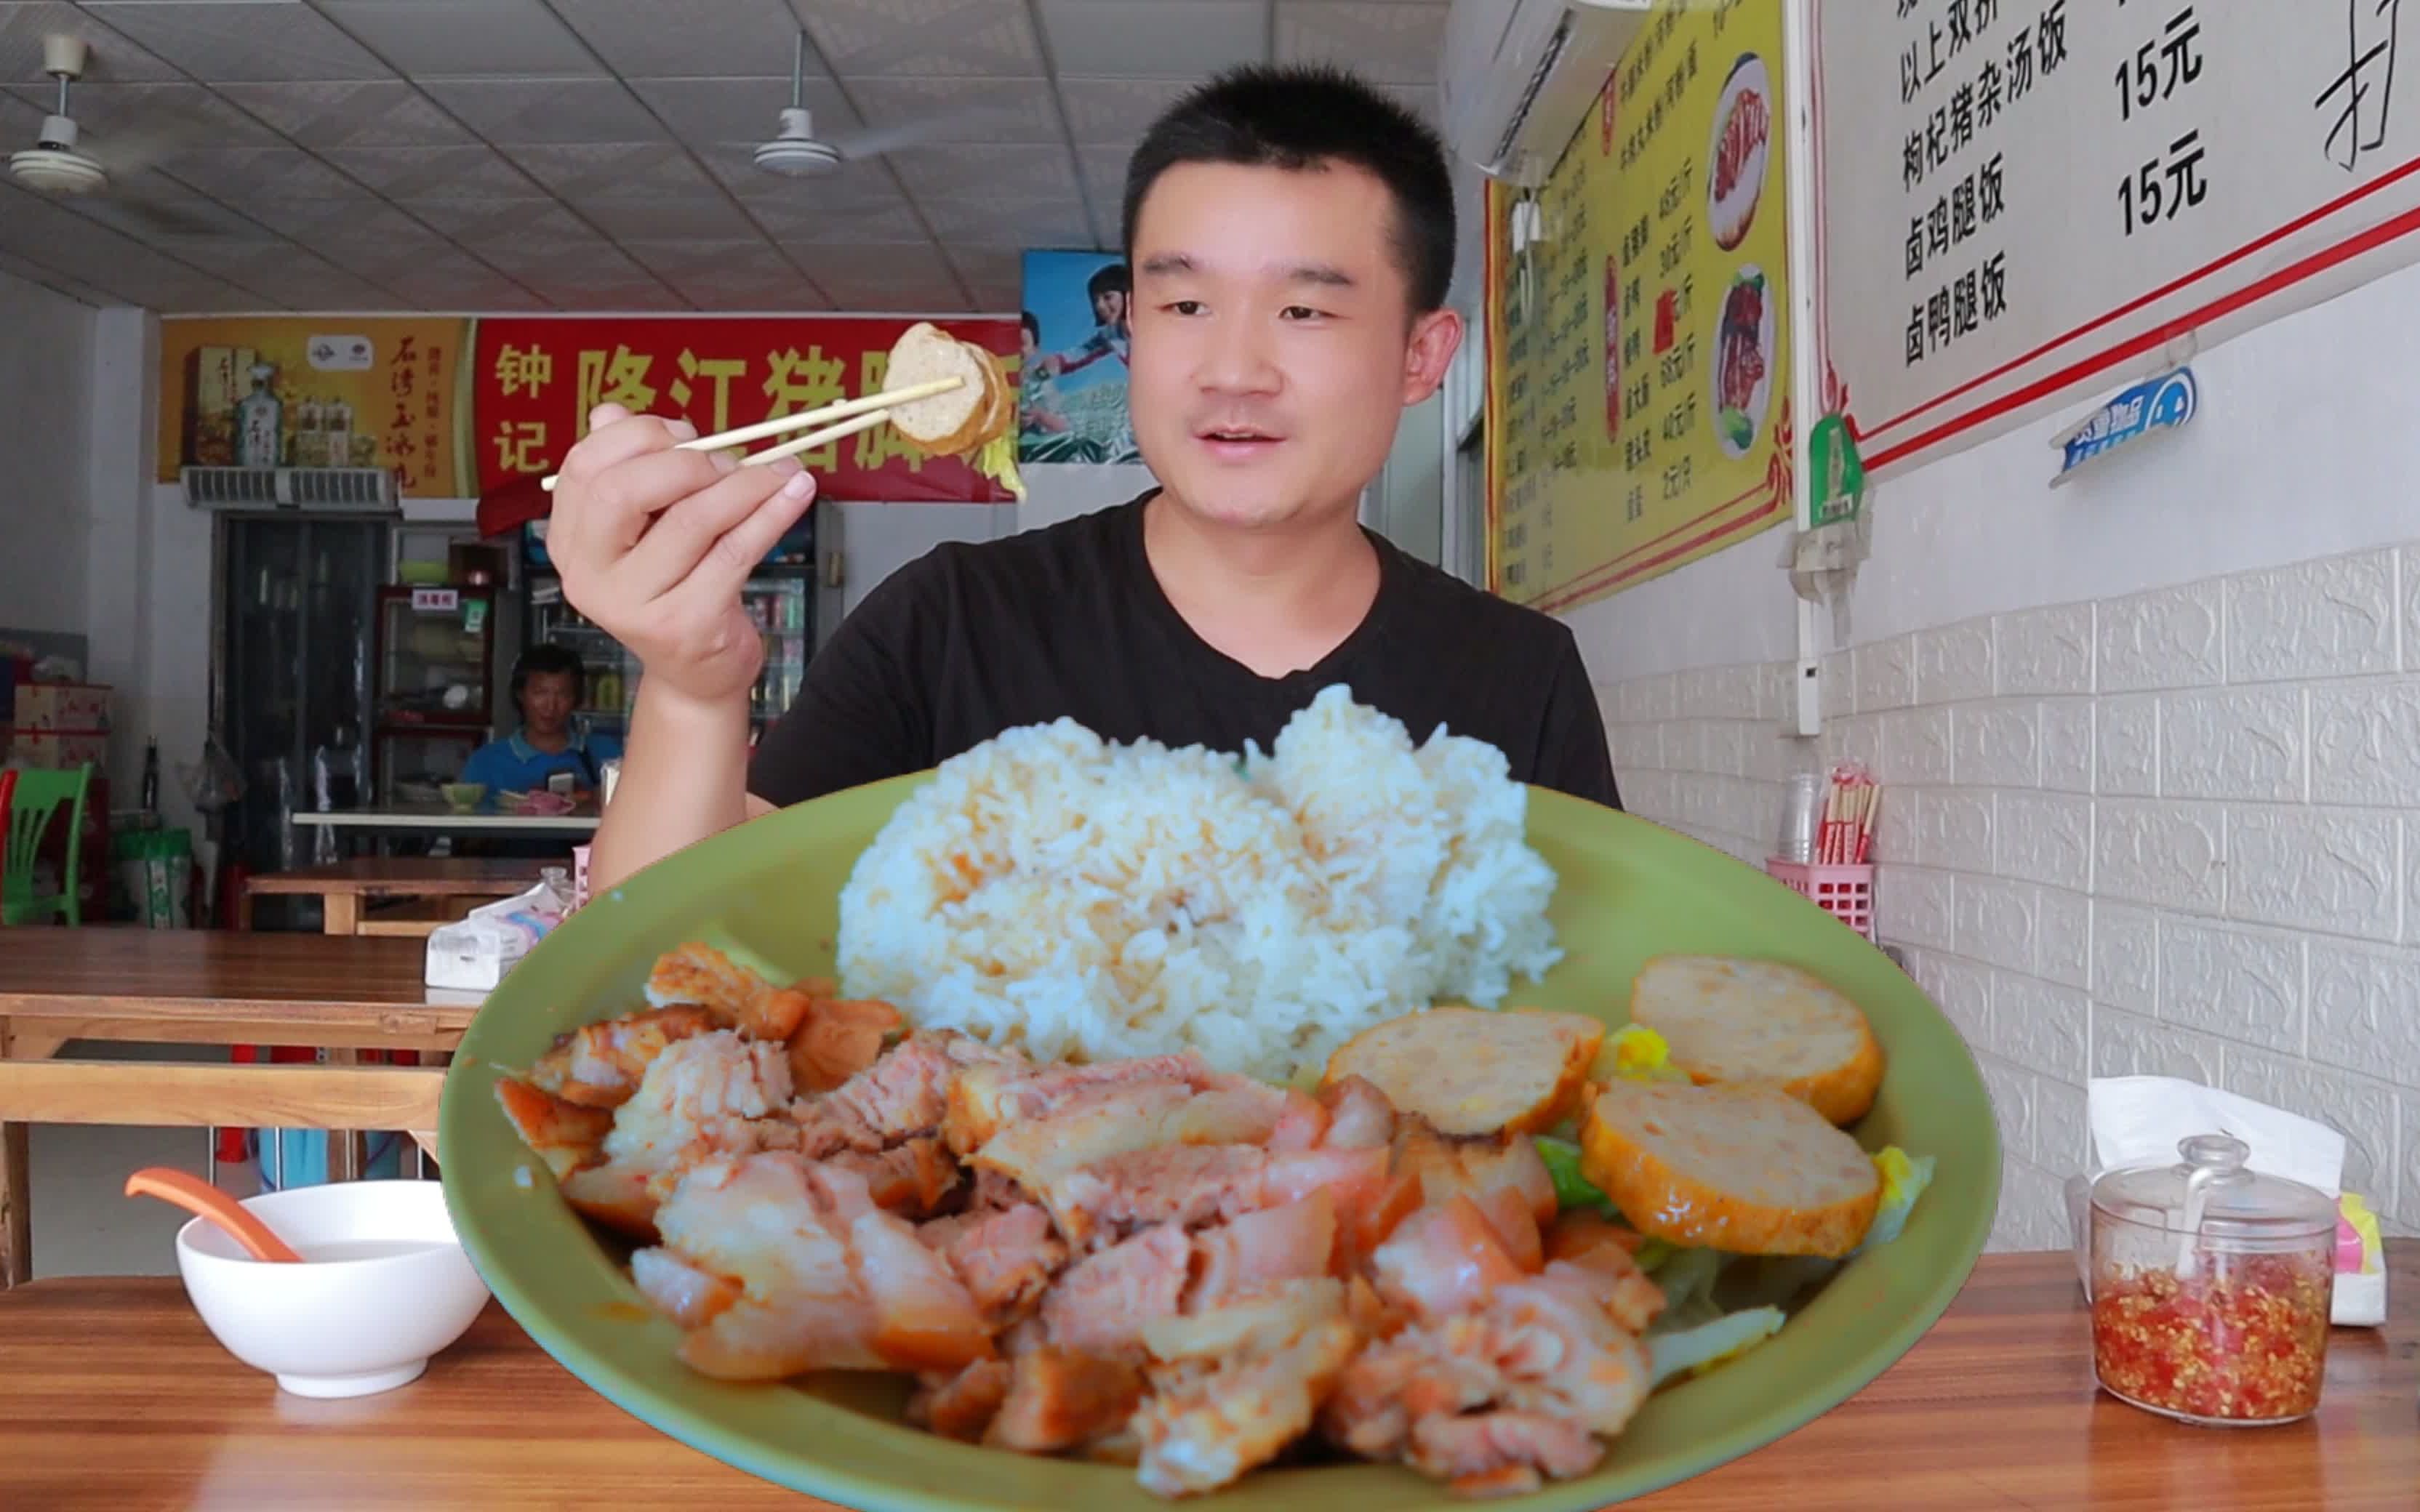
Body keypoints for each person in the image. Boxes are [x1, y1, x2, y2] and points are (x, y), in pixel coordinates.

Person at [548, 63, 1618, 895]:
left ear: (1422, 357)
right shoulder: (954, 622)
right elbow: (675, 955)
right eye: (1184, 305)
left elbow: (1588, 1013)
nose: (1233, 370)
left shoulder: (1521, 679)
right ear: (1133, 332)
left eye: (1305, 310)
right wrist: (692, 688)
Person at [460, 643, 622, 800]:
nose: (550, 706)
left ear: (576, 699)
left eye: (563, 694)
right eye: (540, 693)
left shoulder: (606, 753)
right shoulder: (486, 762)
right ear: (520, 694)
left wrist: (592, 798)